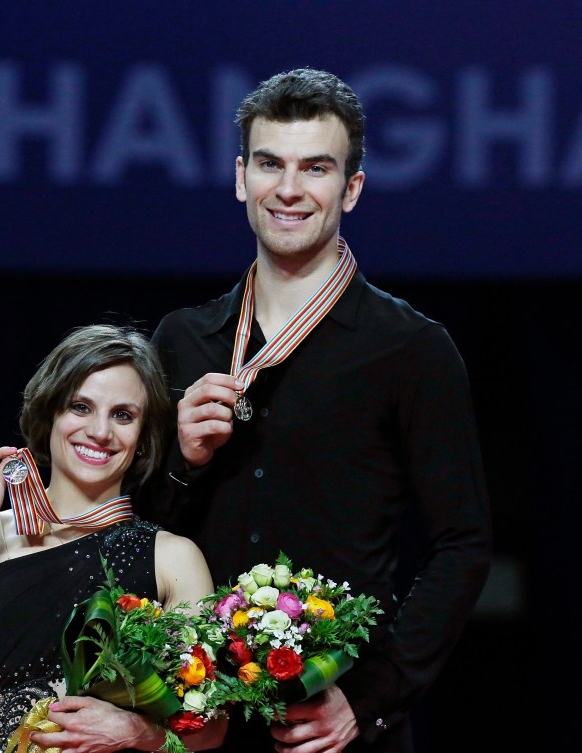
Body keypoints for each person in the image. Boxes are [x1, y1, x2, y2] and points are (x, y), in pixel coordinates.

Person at [139, 68, 493, 752]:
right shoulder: (184, 339)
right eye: (271, 163)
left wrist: (367, 701)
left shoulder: (409, 348)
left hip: (332, 731)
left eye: (316, 167)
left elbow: (463, 544)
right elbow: (135, 544)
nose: (290, 189)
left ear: (351, 188)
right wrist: (178, 462)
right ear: (242, 178)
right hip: (196, 720)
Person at [0, 324, 227, 753]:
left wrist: (135, 732)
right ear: (49, 413)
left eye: (123, 415)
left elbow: (209, 731)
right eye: (81, 407)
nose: (100, 431)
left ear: (144, 437)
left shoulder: (173, 557)